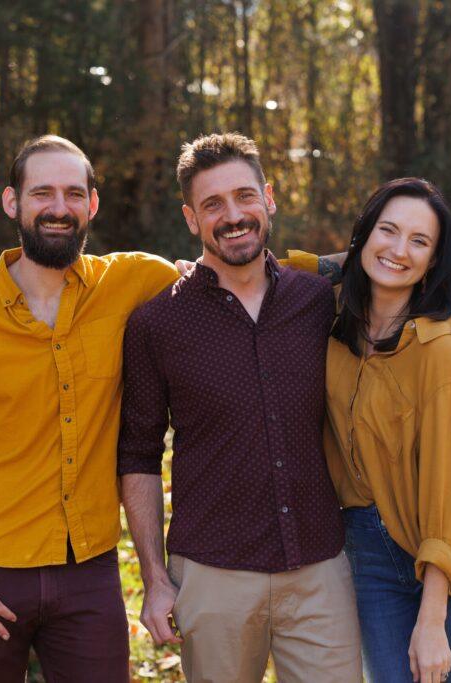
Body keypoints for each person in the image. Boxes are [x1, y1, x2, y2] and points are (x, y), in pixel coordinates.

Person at [0, 134, 337, 682]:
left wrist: (322, 271)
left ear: (92, 204)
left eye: (73, 194)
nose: (59, 208)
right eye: (42, 194)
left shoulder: (132, 281)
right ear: (13, 202)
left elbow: (230, 268)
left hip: (89, 572)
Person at [118, 133, 364, 683]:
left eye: (244, 197)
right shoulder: (157, 324)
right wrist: (155, 577)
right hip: (213, 574)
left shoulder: (317, 299)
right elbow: (137, 455)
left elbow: (392, 365)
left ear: (268, 198)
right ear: (191, 218)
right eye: (213, 205)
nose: (233, 216)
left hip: (322, 565)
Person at [322, 178, 451, 682]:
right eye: (386, 231)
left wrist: (432, 618)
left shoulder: (440, 351)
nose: (398, 250)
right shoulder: (330, 316)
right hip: (368, 551)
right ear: (363, 236)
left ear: (434, 261)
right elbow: (280, 270)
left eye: (419, 242)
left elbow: (448, 492)